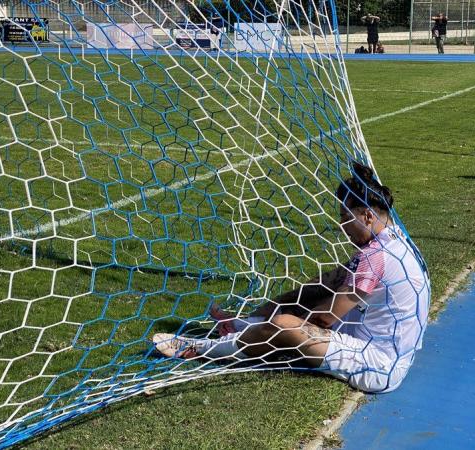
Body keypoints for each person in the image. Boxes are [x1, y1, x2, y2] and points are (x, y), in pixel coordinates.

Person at [153, 163, 431, 393]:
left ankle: (200, 348)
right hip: (372, 337)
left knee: (286, 325)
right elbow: (328, 283)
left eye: (345, 217)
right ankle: (244, 325)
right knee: (301, 303)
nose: (341, 225)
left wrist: (280, 322)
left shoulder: (376, 256)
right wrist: (272, 306)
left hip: (378, 364)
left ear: (368, 216)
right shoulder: (393, 240)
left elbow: (325, 319)